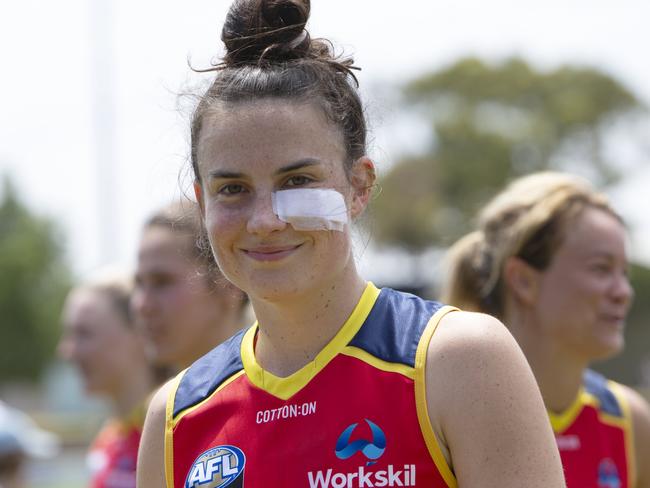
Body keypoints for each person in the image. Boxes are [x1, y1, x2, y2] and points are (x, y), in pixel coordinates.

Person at [137, 1, 566, 486]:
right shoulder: (175, 419)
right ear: (202, 203)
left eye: (297, 181)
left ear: (358, 186)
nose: (264, 220)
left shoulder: (458, 360)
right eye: (232, 189)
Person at [441, 171, 650, 487]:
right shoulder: (444, 409)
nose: (623, 292)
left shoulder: (628, 419)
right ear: (523, 281)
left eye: (624, 273)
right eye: (601, 269)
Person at [59, 271, 156, 488]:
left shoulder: (174, 433)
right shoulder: (108, 439)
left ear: (139, 332)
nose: (67, 351)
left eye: (83, 334)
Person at [131, 200, 248, 371]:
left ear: (228, 284)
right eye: (139, 283)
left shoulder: (272, 390)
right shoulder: (171, 397)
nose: (142, 305)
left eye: (162, 282)